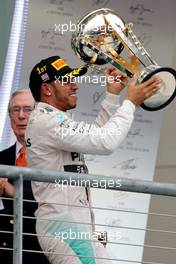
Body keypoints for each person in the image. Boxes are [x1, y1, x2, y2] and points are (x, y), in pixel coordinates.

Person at [26, 55, 160, 264]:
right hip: (62, 226)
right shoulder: (46, 122)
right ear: (47, 89)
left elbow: (98, 135)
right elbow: (106, 142)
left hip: (79, 223)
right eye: (67, 81)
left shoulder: (54, 119)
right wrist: (130, 103)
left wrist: (112, 95)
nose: (75, 86)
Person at [0, 89, 50, 264]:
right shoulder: (1, 159)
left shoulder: (58, 158)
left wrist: (14, 192)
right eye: (15, 110)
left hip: (42, 255)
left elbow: (58, 204)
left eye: (28, 109)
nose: (21, 115)